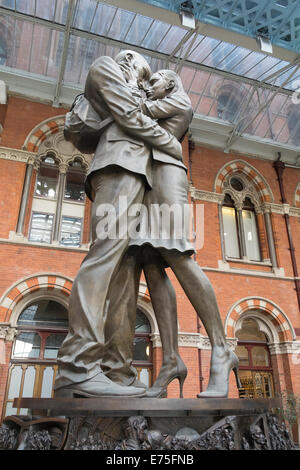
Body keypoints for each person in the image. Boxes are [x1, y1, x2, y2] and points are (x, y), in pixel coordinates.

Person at [102, 70, 241, 398]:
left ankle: (221, 349)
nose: (149, 86)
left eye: (155, 81)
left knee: (179, 256)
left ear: (172, 82)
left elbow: (133, 114)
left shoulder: (177, 101)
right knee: (151, 265)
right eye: (147, 82)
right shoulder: (160, 99)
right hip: (148, 182)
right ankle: (172, 361)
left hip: (167, 179)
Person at [54, 51, 183, 398]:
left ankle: (117, 373)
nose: (130, 64)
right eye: (131, 61)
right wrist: (169, 142)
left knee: (125, 279)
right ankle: (78, 365)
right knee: (103, 258)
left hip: (140, 177)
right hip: (118, 169)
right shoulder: (106, 67)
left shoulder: (138, 90)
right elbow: (127, 115)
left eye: (140, 71)